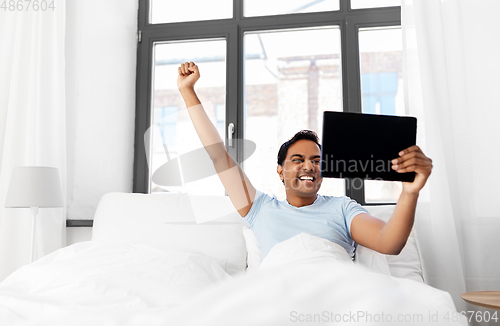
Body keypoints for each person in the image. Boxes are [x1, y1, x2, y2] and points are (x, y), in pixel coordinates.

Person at [177, 61, 433, 259]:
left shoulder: (343, 209)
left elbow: (389, 243)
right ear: (280, 171)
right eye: (297, 159)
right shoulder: (260, 208)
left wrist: (409, 192)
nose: (309, 166)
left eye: (316, 160)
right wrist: (188, 91)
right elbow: (218, 155)